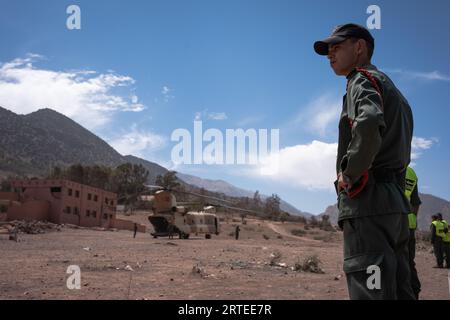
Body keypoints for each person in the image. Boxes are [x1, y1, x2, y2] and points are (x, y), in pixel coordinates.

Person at [314, 23, 415, 299]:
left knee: (371, 291)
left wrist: (350, 174)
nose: (330, 55)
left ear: (359, 48)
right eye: (328, 50)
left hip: (369, 204)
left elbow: (369, 122)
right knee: (400, 289)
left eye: (337, 47)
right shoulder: (394, 92)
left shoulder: (361, 80)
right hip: (395, 206)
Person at [404, 166, 421, 299]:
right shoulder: (411, 172)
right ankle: (414, 293)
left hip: (388, 221)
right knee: (409, 261)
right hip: (408, 224)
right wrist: (413, 219)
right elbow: (415, 202)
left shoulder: (383, 161)